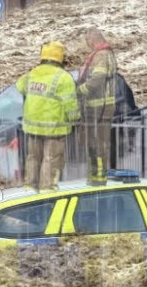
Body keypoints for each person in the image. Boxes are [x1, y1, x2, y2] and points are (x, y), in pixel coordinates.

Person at [15, 41, 79, 190]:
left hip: (33, 127)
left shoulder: (33, 73)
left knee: (33, 157)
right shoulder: (64, 78)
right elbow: (70, 105)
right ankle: (47, 189)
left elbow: (19, 86)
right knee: (51, 159)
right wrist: (75, 119)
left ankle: (30, 188)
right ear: (60, 58)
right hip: (54, 128)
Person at [76, 28, 118, 185]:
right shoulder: (106, 54)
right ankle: (96, 178)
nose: (87, 45)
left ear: (92, 40)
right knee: (96, 144)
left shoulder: (100, 56)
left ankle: (98, 180)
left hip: (99, 108)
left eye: (88, 41)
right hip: (100, 107)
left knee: (98, 145)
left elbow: (97, 79)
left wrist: (80, 90)